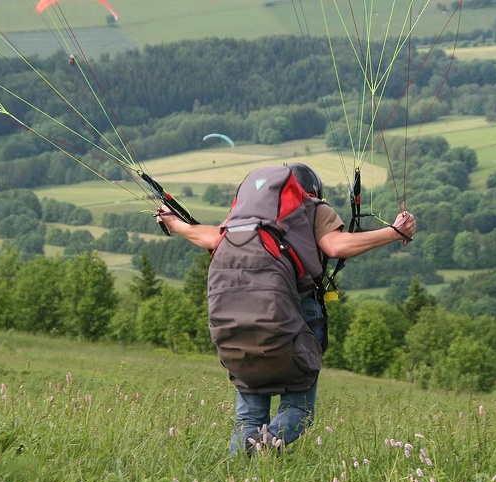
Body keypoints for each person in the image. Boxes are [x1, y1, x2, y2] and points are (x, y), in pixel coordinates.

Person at [157, 163, 416, 454]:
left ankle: (235, 480)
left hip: (237, 317)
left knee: (249, 416)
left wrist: (175, 223)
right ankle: (262, 449)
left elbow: (209, 237)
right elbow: (335, 247)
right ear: (311, 190)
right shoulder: (312, 209)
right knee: (299, 409)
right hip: (295, 313)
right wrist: (393, 232)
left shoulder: (246, 218)